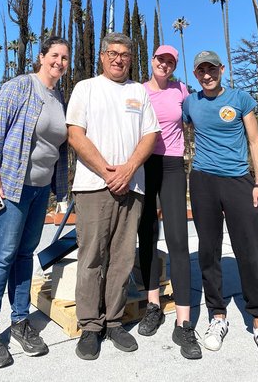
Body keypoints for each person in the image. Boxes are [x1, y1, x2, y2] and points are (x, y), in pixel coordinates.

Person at [0, 37, 70, 369]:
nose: (59, 61)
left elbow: (58, 148)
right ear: (41, 57)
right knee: (2, 256)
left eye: (65, 57)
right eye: (54, 55)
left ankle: (20, 321)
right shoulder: (20, 87)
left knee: (25, 254)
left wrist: (61, 189)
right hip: (13, 186)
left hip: (40, 190)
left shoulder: (59, 99)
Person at [66, 32, 160, 361]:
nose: (119, 58)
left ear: (131, 59)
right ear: (102, 56)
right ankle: (91, 326)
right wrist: (108, 172)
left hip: (132, 187)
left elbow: (150, 135)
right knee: (91, 256)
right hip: (94, 186)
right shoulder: (86, 88)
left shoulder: (138, 93)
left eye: (125, 54)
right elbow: (75, 135)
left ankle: (114, 321)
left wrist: (128, 169)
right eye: (113, 53)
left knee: (122, 259)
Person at [183, 50, 258, 364]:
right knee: (208, 251)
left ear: (221, 70)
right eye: (201, 71)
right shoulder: (191, 103)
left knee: (250, 251)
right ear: (196, 75)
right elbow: (173, 131)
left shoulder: (240, 99)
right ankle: (218, 316)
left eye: (212, 69)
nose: (207, 75)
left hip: (239, 181)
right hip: (202, 181)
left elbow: (255, 141)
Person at [137, 45, 201, 360]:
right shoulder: (138, 91)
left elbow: (197, 119)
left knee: (178, 239)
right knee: (147, 236)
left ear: (174, 66)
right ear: (152, 61)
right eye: (160, 59)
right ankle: (153, 307)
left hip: (174, 166)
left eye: (170, 61)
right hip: (145, 166)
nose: (164, 64)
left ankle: (184, 323)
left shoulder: (181, 90)